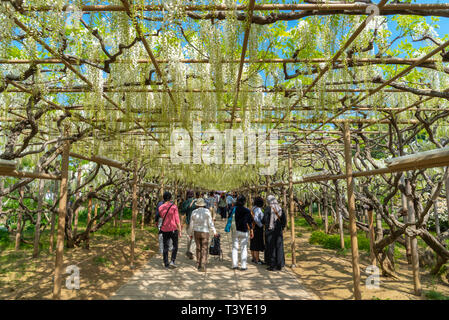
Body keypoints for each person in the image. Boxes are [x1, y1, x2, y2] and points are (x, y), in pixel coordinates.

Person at [188, 198, 217, 272]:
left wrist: (190, 233)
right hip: (205, 231)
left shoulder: (194, 212)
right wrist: (214, 231)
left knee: (198, 248)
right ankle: (203, 264)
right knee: (204, 248)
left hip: (196, 231)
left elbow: (191, 224)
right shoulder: (207, 211)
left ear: (197, 205)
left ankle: (198, 263)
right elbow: (210, 223)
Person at [228, 195, 253, 271]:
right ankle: (243, 266)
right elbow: (250, 222)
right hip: (244, 230)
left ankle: (234, 265)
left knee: (234, 247)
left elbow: (229, 216)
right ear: (244, 202)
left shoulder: (234, 209)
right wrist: (251, 230)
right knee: (244, 248)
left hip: (235, 230)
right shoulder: (247, 210)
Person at [158, 191, 182, 269]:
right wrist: (180, 230)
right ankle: (172, 261)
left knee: (166, 246)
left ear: (163, 198)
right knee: (175, 245)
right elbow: (177, 219)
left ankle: (166, 263)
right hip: (173, 229)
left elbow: (161, 216)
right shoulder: (174, 207)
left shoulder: (160, 207)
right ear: (170, 198)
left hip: (164, 229)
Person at [263, 195, 286, 271]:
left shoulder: (268, 209)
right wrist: (281, 227)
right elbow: (284, 220)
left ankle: (272, 265)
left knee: (271, 247)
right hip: (278, 230)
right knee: (279, 247)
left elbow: (265, 220)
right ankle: (280, 264)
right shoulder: (280, 208)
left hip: (270, 230)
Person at [180, 190, 196, 259]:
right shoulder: (196, 202)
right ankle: (191, 251)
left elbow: (182, 213)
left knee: (189, 236)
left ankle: (188, 250)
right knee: (194, 237)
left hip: (188, 221)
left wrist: (181, 223)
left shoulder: (185, 202)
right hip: (196, 222)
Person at [250, 196, 265, 265]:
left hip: (252, 227)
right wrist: (261, 225)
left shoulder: (253, 208)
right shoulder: (258, 209)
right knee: (257, 243)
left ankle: (253, 258)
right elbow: (256, 219)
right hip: (257, 228)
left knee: (252, 242)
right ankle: (257, 259)